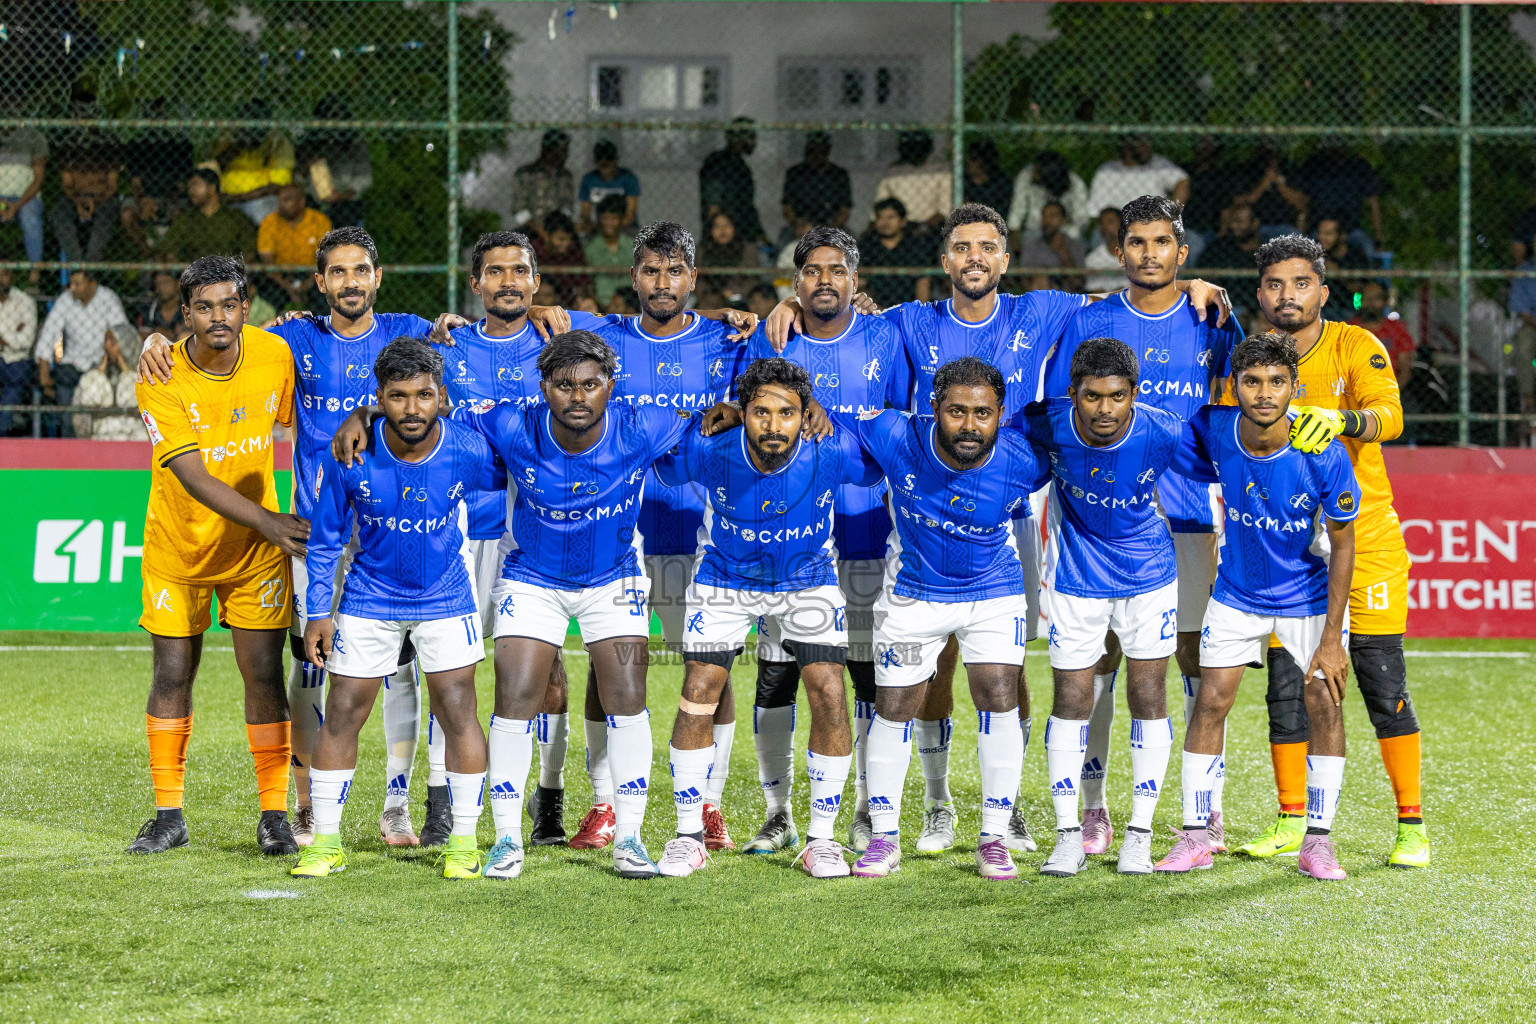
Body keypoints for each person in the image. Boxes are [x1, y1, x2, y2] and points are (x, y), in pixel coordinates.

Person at [766, 202, 1231, 855]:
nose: (975, 258)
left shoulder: (1039, 310)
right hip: (931, 502)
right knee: (932, 668)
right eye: (962, 247)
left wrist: (1196, 289)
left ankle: (1004, 812)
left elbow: (1123, 295)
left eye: (988, 246)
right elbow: (841, 323)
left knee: (1004, 673)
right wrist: (777, 311)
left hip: (1015, 505)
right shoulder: (909, 321)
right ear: (946, 259)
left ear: (1005, 260)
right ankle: (936, 802)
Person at [137, 226, 461, 850]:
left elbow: (466, 360)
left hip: (389, 530)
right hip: (306, 533)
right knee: (306, 667)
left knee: (400, 670)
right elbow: (206, 353)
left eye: (359, 270)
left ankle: (397, 802)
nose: (349, 283)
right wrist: (154, 339)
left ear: (377, 276)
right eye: (336, 273)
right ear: (319, 283)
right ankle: (302, 802)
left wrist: (531, 313)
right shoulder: (290, 340)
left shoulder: (407, 332)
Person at [362, 330, 717, 879]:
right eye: (564, 385)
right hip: (532, 579)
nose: (578, 397)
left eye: (591, 385)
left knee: (627, 696)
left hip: (613, 579)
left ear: (610, 387)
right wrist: (363, 418)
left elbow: (714, 423)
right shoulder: (509, 423)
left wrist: (736, 407)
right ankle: (506, 839)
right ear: (544, 387)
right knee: (516, 695)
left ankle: (630, 839)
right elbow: (423, 418)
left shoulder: (642, 424)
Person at [1043, 195, 1243, 858]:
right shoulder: (1091, 320)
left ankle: (1200, 807)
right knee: (1093, 666)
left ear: (1181, 253)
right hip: (1094, 524)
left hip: (1187, 512)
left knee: (1191, 660)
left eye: (1163, 243)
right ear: (1118, 251)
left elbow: (1247, 396)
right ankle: (1094, 807)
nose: (1150, 254)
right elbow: (1056, 413)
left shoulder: (1212, 318)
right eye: (1137, 242)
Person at [1237, 234, 1430, 870]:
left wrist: (1338, 420)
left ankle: (1411, 825)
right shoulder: (1253, 356)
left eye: (1299, 284)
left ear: (1323, 290)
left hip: (1364, 537)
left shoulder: (1355, 345)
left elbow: (1390, 418)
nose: (1285, 296)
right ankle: (1292, 820)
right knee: (1289, 688)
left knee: (1378, 682)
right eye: (1273, 284)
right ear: (1259, 291)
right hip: (1287, 546)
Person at [652, 357, 880, 878]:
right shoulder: (710, 449)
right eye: (760, 412)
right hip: (725, 581)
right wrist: (702, 415)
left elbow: (879, 456)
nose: (773, 425)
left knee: (828, 690)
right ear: (743, 410)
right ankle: (689, 836)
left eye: (787, 413)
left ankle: (821, 840)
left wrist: (833, 418)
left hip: (807, 581)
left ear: (806, 415)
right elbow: (663, 463)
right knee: (698, 690)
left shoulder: (831, 448)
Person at [575, 223, 758, 853]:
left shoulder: (730, 340)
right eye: (650, 271)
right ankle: (604, 803)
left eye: (674, 271)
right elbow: (538, 322)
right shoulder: (604, 338)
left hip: (705, 528)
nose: (662, 282)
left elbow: (792, 337)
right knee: (609, 666)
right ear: (633, 279)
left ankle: (707, 802)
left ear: (693, 278)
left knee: (713, 666)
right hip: (620, 528)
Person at [290, 338, 499, 880]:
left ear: (442, 397)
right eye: (398, 396)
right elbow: (325, 540)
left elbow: (520, 473)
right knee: (342, 711)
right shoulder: (350, 453)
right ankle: (326, 844)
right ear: (378, 397)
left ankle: (464, 843)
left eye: (424, 395)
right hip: (369, 597)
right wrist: (318, 611)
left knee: (458, 712)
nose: (412, 409)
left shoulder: (468, 449)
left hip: (446, 597)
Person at [1153, 331, 1358, 882]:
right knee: (1210, 701)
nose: (1264, 393)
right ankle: (1197, 835)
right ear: (1233, 387)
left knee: (1325, 704)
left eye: (1276, 382)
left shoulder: (1324, 452)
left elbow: (1343, 543)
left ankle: (1317, 842)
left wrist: (1335, 637)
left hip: (1306, 600)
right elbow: (1161, 441)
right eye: (1251, 382)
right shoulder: (1214, 428)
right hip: (1236, 594)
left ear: (1295, 386)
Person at [834, 357, 1041, 881]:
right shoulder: (894, 434)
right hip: (913, 595)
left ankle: (994, 837)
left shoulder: (1025, 455)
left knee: (999, 696)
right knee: (894, 706)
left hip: (993, 592)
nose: (970, 426)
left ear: (1001, 415)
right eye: (956, 411)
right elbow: (829, 418)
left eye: (983, 413)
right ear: (933, 409)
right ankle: (883, 837)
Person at [126, 254, 305, 856]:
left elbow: (308, 412)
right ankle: (168, 814)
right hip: (179, 548)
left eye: (228, 304)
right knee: (173, 673)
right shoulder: (159, 375)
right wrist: (273, 522)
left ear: (245, 308)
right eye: (204, 307)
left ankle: (275, 815)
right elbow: (191, 475)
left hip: (254, 553)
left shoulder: (274, 354)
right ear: (186, 314)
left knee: (263, 673)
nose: (218, 317)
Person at [444, 230, 617, 847]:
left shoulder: (563, 340)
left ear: (537, 282)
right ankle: (443, 803)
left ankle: (549, 799)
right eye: (495, 272)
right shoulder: (448, 344)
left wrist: (739, 312)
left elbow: (657, 323)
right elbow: (388, 376)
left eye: (520, 271)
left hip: (530, 532)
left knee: (543, 674)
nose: (508, 282)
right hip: (455, 529)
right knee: (451, 669)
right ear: (476, 283)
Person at [742, 227, 909, 856]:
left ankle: (867, 803)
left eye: (837, 270)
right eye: (811, 271)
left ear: (855, 281)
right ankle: (778, 811)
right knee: (779, 671)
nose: (825, 281)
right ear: (795, 282)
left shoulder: (885, 335)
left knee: (860, 674)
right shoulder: (772, 336)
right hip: (784, 533)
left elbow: (899, 424)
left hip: (867, 526)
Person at [1022, 337, 1186, 877]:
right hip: (1076, 576)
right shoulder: (1046, 423)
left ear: (1133, 394)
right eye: (1092, 397)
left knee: (1147, 694)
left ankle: (1139, 834)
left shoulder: (1163, 430)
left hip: (1150, 577)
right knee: (1072, 697)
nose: (1105, 409)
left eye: (1117, 396)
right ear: (1072, 394)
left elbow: (1225, 456)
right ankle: (1069, 833)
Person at [34, 271, 132, 437]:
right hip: (72, 365)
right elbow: (48, 336)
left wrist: (113, 360)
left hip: (100, 365)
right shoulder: (65, 300)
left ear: (92, 284)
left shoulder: (107, 298)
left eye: (77, 284)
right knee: (67, 415)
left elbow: (120, 334)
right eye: (71, 283)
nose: (72, 288)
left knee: (100, 415)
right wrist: (44, 376)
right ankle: (69, 451)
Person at [216, 100, 296, 225]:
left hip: (260, 200)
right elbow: (215, 167)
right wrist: (237, 146)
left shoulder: (277, 142)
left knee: (264, 214)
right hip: (227, 199)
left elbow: (278, 186)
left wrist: (243, 197)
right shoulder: (228, 138)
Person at [1298, 141, 1384, 253]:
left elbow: (1374, 203)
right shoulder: (1315, 165)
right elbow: (1303, 203)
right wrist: (1300, 232)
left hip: (1351, 228)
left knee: (1367, 248)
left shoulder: (1359, 165)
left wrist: (1379, 236)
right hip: (1321, 228)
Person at [156, 169, 258, 263]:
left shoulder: (236, 217)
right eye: (189, 187)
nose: (190, 191)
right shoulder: (187, 219)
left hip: (228, 275)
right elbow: (169, 250)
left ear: (211, 188)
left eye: (195, 185)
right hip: (194, 276)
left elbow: (249, 251)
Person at [257, 184, 332, 310]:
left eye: (287, 200)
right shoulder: (269, 222)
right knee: (266, 289)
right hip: (280, 275)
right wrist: (288, 287)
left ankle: (321, 327)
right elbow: (267, 262)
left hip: (312, 273)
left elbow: (325, 259)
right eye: (280, 200)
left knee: (324, 291)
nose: (281, 205)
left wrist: (306, 285)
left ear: (301, 202)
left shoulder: (319, 221)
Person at [303, 96, 373, 229]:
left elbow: (364, 179)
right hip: (315, 201)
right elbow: (298, 179)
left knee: (348, 223)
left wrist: (340, 195)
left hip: (346, 202)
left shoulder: (355, 143)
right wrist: (308, 164)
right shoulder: (311, 142)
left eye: (336, 115)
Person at [1086, 135, 1190, 221]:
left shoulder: (1157, 164)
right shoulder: (1107, 170)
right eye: (1142, 142)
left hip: (1152, 226)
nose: (1147, 147)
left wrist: (1170, 215)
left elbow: (1182, 181)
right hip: (1119, 229)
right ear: (1128, 146)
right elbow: (1097, 213)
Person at [857, 197, 935, 308]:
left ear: (903, 222)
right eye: (880, 217)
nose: (885, 222)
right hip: (875, 309)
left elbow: (923, 282)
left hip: (909, 308)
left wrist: (916, 314)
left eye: (891, 217)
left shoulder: (915, 246)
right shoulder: (867, 246)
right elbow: (861, 283)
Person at [700, 118, 765, 246]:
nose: (754, 142)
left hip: (742, 231)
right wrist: (718, 231)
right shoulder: (718, 162)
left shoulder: (740, 166)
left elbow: (748, 206)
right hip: (726, 233)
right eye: (751, 137)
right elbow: (713, 203)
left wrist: (761, 236)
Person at [873, 130, 952, 230]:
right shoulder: (894, 171)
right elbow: (881, 202)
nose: (914, 149)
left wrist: (923, 227)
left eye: (918, 145)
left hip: (932, 226)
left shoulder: (941, 169)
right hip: (900, 226)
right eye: (910, 146)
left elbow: (945, 210)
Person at [74, 327, 141, 440]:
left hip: (135, 437)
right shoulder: (93, 376)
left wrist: (127, 372)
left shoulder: (144, 376)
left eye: (113, 342)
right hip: (102, 437)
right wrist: (98, 374)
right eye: (105, 342)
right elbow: (88, 403)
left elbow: (129, 400)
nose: (106, 346)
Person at [1009, 150, 1089, 243]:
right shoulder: (1026, 175)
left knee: (1074, 234)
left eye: (1037, 170)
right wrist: (1014, 234)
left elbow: (1081, 220)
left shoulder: (1076, 183)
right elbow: (1017, 210)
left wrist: (1063, 223)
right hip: (1035, 228)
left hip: (1063, 229)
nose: (1033, 172)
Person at [0, 113, 47, 270]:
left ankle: (34, 276)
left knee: (30, 218)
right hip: (0, 200)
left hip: (26, 199)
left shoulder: (34, 137)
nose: (9, 107)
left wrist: (17, 205)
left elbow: (38, 179)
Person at [780, 131, 852, 233]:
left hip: (832, 225)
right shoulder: (795, 173)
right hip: (801, 224)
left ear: (827, 151)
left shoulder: (839, 175)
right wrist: (798, 223)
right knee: (784, 246)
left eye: (820, 150)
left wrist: (831, 228)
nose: (816, 155)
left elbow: (845, 210)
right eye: (811, 150)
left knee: (853, 244)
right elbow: (787, 207)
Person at [1233, 140, 1307, 238]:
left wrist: (1279, 183)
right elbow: (1243, 201)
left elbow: (1301, 204)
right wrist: (1264, 184)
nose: (1271, 159)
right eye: (1267, 154)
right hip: (1257, 224)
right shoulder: (1251, 171)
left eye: (1274, 155)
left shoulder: (1289, 169)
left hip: (1285, 225)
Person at [1349, 281, 1415, 387]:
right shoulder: (1348, 329)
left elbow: (1405, 371)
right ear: (1360, 301)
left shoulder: (1397, 329)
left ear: (1385, 301)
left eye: (1376, 298)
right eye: (1367, 298)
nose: (1371, 302)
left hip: (1387, 388)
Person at [1196, 202, 1263, 301]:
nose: (1233, 226)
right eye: (1232, 221)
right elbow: (1200, 272)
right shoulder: (1219, 246)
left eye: (1239, 222)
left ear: (1255, 223)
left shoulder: (1266, 253)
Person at [513, 129, 575, 234]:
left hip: (557, 231)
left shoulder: (565, 175)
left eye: (565, 151)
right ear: (547, 150)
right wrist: (540, 230)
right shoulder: (525, 173)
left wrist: (556, 229)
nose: (565, 156)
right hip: (530, 230)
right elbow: (519, 210)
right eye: (560, 151)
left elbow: (567, 207)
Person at [1015, 201, 1085, 292]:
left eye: (1052, 216)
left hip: (1067, 297)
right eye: (1044, 216)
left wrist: (1062, 251)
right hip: (1037, 296)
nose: (1047, 221)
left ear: (1063, 220)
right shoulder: (1031, 245)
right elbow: (1024, 281)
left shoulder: (1075, 245)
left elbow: (1077, 283)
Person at [0, 267, 37, 434]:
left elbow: (27, 341)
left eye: (4, 274)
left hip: (17, 360)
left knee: (16, 379)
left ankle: (1, 431)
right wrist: (13, 333)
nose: (0, 279)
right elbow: (19, 339)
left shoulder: (25, 302)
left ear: (12, 276)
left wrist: (2, 338)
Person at [578, 139, 640, 234]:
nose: (604, 162)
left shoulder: (628, 178)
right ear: (595, 160)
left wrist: (612, 227)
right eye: (600, 158)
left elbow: (630, 214)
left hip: (624, 226)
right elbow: (585, 213)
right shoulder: (589, 179)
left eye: (609, 158)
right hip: (600, 225)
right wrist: (596, 227)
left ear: (616, 159)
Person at [531, 211, 589, 306]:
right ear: (547, 235)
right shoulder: (534, 250)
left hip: (567, 303)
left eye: (568, 239)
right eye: (561, 239)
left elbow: (581, 284)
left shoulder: (574, 252)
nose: (566, 244)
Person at [587, 195, 636, 307]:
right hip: (601, 305)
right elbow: (588, 284)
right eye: (605, 218)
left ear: (621, 220)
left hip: (630, 304)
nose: (609, 223)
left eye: (613, 219)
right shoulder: (591, 248)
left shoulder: (633, 246)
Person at [697, 210, 757, 301]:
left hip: (740, 296)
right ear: (710, 230)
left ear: (735, 228)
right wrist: (709, 294)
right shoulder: (703, 249)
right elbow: (697, 279)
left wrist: (735, 292)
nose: (722, 230)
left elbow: (753, 279)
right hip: (709, 297)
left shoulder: (747, 249)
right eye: (717, 226)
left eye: (727, 225)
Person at [963, 139, 1014, 223]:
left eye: (973, 159)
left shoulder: (1001, 185)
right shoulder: (964, 182)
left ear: (984, 162)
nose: (968, 162)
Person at [1083, 207, 1125, 294]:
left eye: (1110, 222)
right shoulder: (1093, 258)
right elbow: (1096, 292)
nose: (1105, 227)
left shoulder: (1137, 254)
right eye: (1102, 223)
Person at [140, 271, 188, 341]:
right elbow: (143, 334)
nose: (161, 288)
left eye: (166, 282)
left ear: (178, 285)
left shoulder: (188, 307)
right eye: (158, 284)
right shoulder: (149, 308)